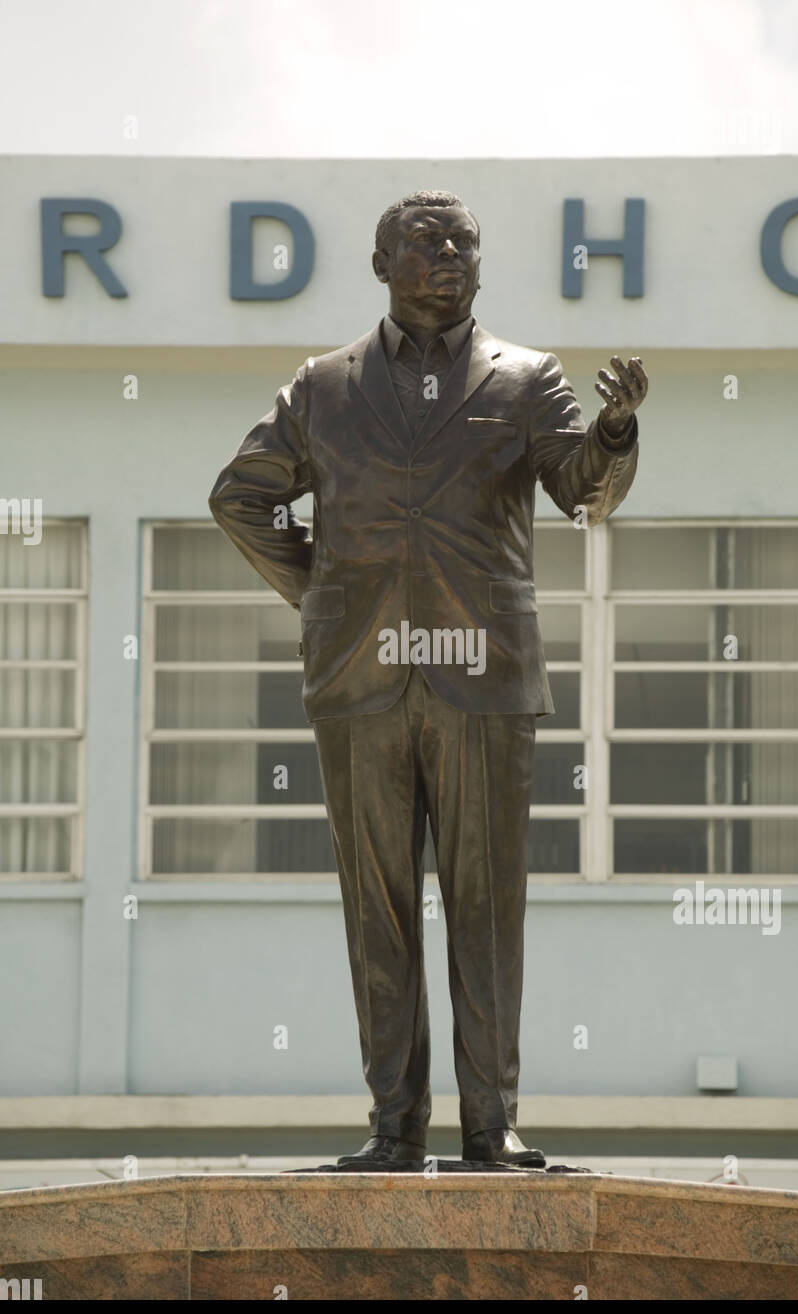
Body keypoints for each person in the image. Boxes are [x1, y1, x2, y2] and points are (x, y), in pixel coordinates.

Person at [209, 190, 647, 1169]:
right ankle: (392, 1126)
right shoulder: (322, 387)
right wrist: (323, 592)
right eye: (424, 241)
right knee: (379, 910)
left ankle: (492, 1127)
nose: (446, 253)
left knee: (487, 908)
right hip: (359, 679)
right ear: (380, 265)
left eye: (462, 241)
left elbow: (583, 491)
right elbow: (239, 496)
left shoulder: (528, 377)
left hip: (484, 680)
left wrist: (612, 435)